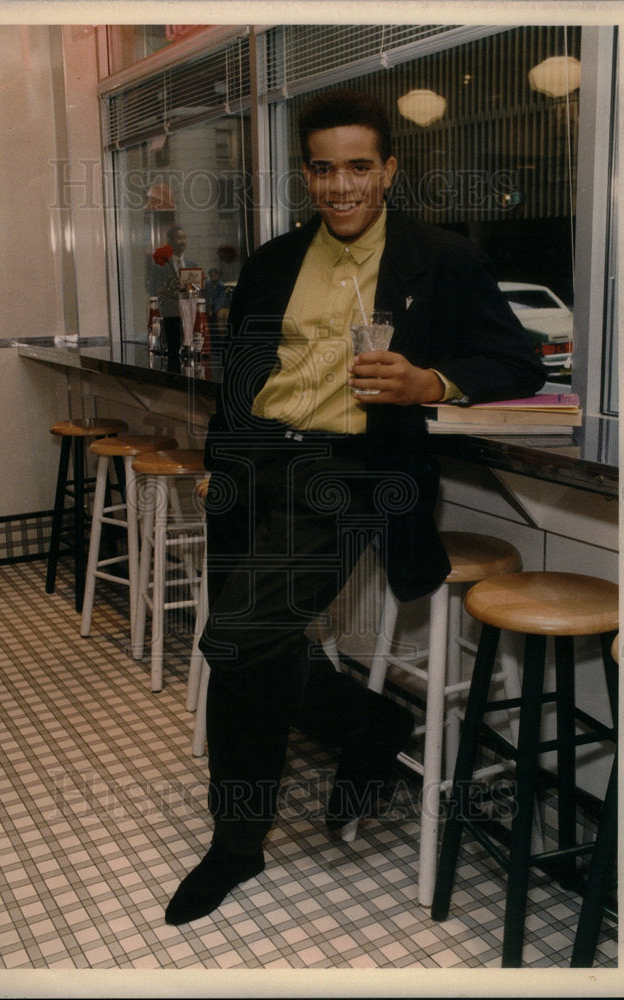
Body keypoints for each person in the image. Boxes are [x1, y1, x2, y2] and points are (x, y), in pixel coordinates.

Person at [164, 90, 547, 926]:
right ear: (307, 174)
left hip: (349, 470)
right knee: (252, 644)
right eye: (325, 169)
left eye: (359, 167)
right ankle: (372, 723)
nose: (342, 186)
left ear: (389, 170)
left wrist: (431, 381)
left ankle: (237, 844)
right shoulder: (272, 260)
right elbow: (241, 377)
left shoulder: (439, 257)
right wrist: (220, 465)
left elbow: (518, 362)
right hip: (257, 464)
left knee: (232, 642)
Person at [149, 224, 198, 361]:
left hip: (188, 317)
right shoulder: (160, 265)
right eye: (178, 238)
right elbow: (153, 288)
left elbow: (195, 290)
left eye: (184, 238)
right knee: (172, 354)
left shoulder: (192, 264)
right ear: (170, 241)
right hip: (169, 315)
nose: (182, 241)